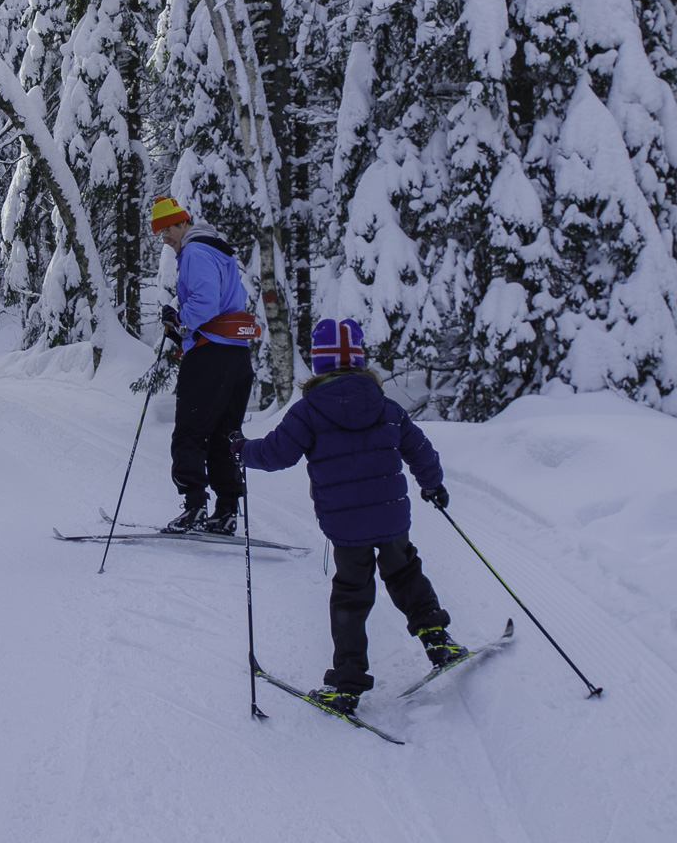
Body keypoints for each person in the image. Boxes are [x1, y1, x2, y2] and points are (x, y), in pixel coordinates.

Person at [232, 317, 466, 716]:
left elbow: (276, 454)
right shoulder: (385, 405)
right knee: (406, 574)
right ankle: (437, 638)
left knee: (351, 598)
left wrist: (241, 449)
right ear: (359, 360)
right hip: (392, 517)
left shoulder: (308, 412)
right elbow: (420, 450)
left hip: (345, 526)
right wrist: (433, 484)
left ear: (319, 364)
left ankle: (348, 684)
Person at [151, 195, 260, 535]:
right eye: (161, 234)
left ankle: (194, 506)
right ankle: (226, 510)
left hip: (210, 354)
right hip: (236, 355)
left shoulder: (195, 252)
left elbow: (205, 303)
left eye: (167, 230)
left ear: (183, 223)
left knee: (190, 431)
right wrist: (183, 326)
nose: (165, 239)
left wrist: (179, 319)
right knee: (223, 434)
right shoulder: (216, 251)